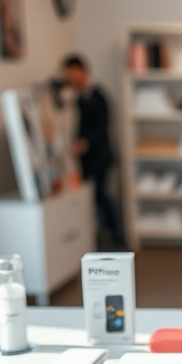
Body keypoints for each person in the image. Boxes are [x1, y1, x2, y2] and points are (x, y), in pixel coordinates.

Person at [62, 55, 122, 246]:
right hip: (86, 159)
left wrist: (84, 142)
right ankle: (96, 235)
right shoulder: (78, 97)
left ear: (81, 71)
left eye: (71, 74)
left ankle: (115, 234)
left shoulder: (99, 97)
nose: (69, 79)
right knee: (89, 198)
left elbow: (102, 128)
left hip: (100, 157)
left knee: (101, 196)